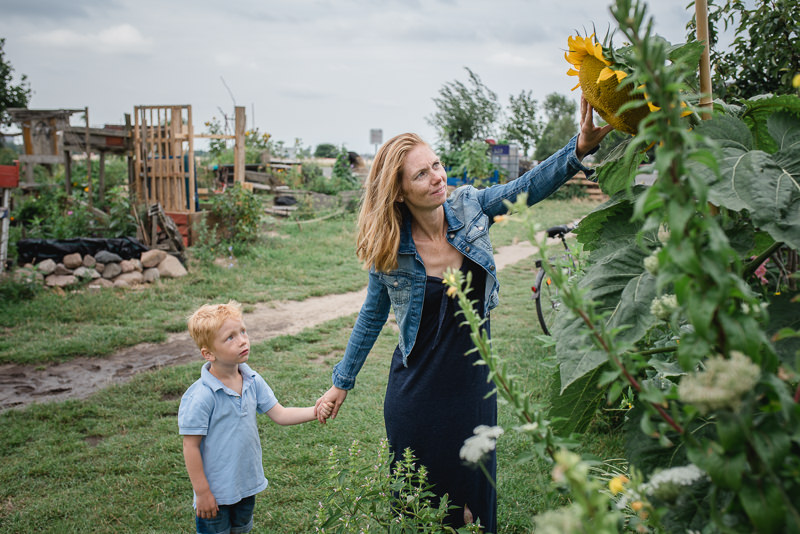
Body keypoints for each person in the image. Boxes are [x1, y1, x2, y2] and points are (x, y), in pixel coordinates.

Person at [314, 95, 612, 532]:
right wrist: (342, 382)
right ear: (399, 190)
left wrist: (577, 150)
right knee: (425, 510)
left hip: (474, 386)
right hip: (418, 396)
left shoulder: (470, 207)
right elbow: (370, 318)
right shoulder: (392, 252)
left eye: (435, 165)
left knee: (474, 507)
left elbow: (524, 188)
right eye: (422, 173)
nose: (438, 177)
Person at [179, 301, 333, 534]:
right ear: (208, 353)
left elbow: (279, 413)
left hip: (246, 485)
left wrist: (315, 410)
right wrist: (202, 492)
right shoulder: (201, 396)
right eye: (230, 337)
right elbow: (190, 446)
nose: (242, 340)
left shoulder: (252, 380)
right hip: (214, 495)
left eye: (242, 331)